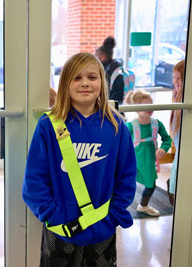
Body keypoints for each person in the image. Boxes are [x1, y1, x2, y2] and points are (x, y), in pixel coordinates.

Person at [22, 52, 137, 266]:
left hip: (103, 232)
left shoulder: (116, 126)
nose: (85, 83)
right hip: (60, 232)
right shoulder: (48, 126)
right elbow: (34, 183)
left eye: (92, 77)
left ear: (102, 83)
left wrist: (111, 217)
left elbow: (127, 179)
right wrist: (54, 215)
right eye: (77, 78)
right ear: (65, 84)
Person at [125, 89, 172, 216]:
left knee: (151, 186)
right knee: (126, 186)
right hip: (133, 162)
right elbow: (121, 143)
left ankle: (143, 206)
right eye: (145, 106)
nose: (149, 108)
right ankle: (120, 207)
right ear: (136, 108)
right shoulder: (130, 126)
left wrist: (163, 149)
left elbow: (167, 139)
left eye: (150, 105)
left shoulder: (157, 124)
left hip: (149, 162)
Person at [168, 59, 185, 205]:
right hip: (178, 163)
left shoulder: (183, 102)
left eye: (179, 78)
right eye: (174, 78)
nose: (175, 82)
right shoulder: (177, 101)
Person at [95, 36, 125, 104]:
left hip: (113, 109)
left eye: (96, 56)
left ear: (103, 57)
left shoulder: (111, 72)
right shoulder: (111, 68)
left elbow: (116, 96)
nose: (95, 59)